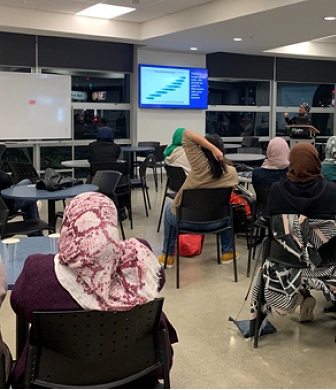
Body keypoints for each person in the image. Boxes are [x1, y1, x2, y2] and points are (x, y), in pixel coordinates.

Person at [10, 192, 178, 387]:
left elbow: (19, 305)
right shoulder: (140, 258)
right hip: (137, 375)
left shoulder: (37, 273)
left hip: (54, 380)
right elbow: (158, 282)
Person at [250, 143, 336, 327]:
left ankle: (296, 296)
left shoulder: (277, 189)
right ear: (316, 161)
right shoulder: (330, 190)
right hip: (322, 266)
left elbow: (274, 221)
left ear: (291, 162)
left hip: (282, 265)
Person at [160, 129, 239, 268]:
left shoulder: (199, 167)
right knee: (228, 208)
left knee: (169, 207)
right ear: (223, 150)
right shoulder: (232, 172)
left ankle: (168, 256)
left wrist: (212, 148)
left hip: (185, 221)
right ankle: (227, 252)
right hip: (217, 222)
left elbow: (185, 133)